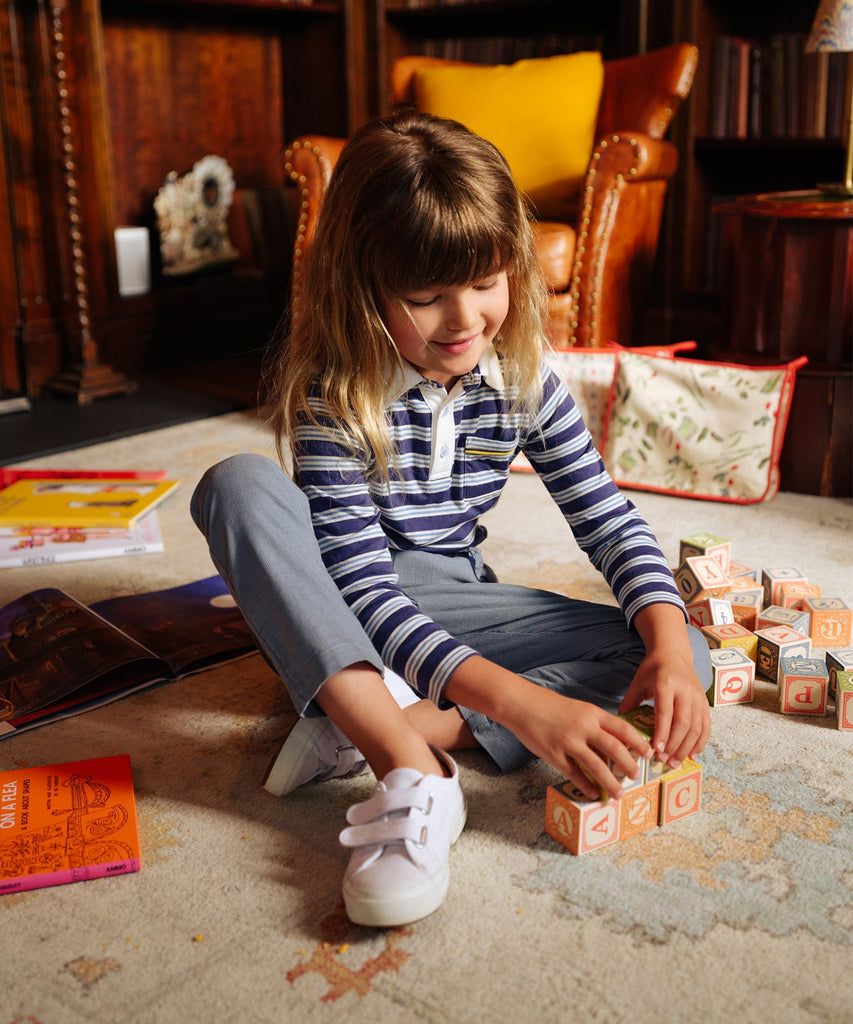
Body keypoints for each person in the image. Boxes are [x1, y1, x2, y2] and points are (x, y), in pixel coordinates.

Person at [191, 110, 712, 930]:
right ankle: (405, 759)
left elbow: (607, 520)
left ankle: (393, 716)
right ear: (364, 292)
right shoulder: (335, 393)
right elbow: (363, 589)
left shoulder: (524, 379)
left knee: (682, 654)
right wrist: (516, 705)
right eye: (426, 297)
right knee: (236, 483)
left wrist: (671, 647)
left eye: (486, 281)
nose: (464, 319)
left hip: (448, 601)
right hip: (333, 604)